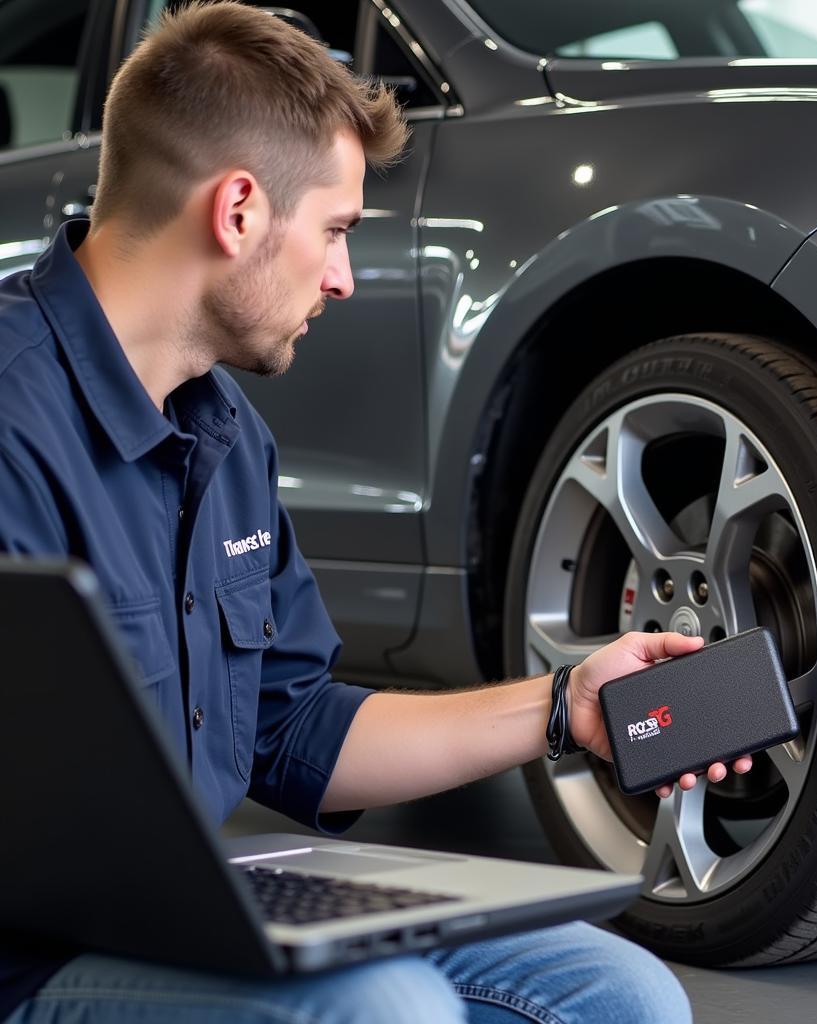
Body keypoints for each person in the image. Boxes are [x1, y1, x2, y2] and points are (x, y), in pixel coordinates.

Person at [0, 4, 753, 1022]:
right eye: (338, 231)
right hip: (33, 951)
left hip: (189, 907)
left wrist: (566, 701)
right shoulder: (12, 417)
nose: (345, 277)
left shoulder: (224, 438)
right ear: (237, 212)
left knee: (620, 993)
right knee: (387, 1007)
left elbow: (295, 723)